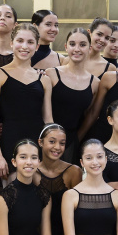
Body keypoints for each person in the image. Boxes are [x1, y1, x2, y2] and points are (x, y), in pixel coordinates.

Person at [0, 23, 53, 180]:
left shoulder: (44, 79)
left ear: (37, 46)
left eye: (30, 42)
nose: (24, 46)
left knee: (37, 195)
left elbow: (48, 121)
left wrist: (50, 154)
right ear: (12, 43)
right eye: (20, 41)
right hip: (10, 141)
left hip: (37, 142)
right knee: (13, 194)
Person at [35, 124, 83, 235]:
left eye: (62, 143)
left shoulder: (74, 172)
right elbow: (35, 219)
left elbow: (74, 218)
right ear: (40, 142)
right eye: (52, 141)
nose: (57, 147)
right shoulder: (32, 172)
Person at [46, 29, 98, 161]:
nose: (77, 49)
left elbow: (90, 115)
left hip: (71, 142)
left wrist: (77, 138)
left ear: (89, 48)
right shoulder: (51, 74)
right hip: (46, 138)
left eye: (82, 44)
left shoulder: (95, 83)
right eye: (72, 44)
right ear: (66, 47)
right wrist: (50, 137)